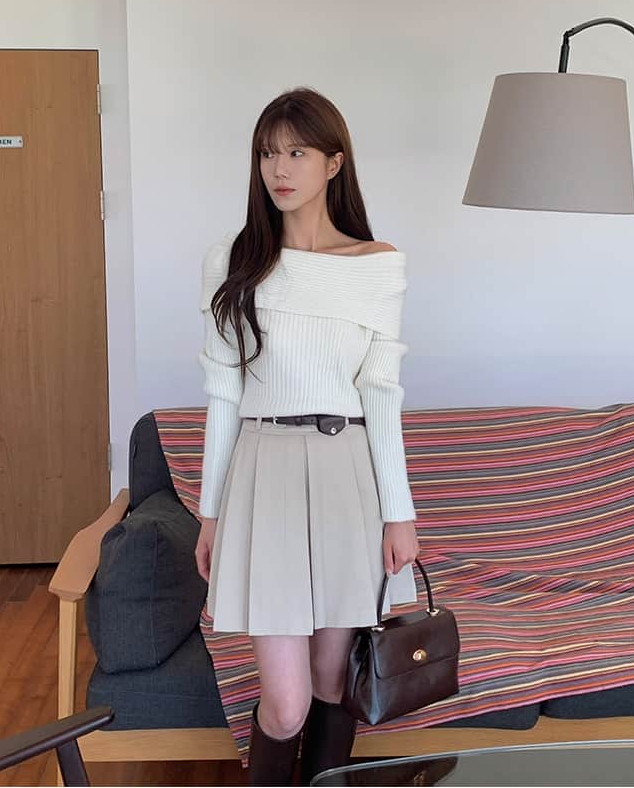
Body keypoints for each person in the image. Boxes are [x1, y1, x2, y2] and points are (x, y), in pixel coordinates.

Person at [194, 87, 420, 786]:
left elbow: (381, 395)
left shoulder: (378, 265)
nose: (279, 169)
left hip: (348, 473)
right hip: (263, 471)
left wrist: (400, 514)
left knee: (330, 682)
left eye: (296, 152)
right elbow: (223, 395)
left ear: (334, 162)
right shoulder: (234, 260)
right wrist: (210, 513)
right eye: (268, 153)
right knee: (286, 704)